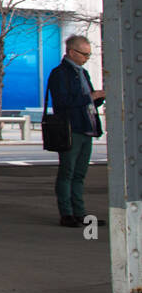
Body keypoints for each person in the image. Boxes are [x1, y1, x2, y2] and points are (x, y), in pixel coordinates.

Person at [47, 35, 104, 228]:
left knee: (80, 173)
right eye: (84, 54)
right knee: (68, 171)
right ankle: (67, 213)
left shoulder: (83, 73)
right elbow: (63, 103)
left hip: (86, 127)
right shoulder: (60, 74)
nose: (87, 58)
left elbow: (87, 100)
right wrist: (90, 97)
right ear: (72, 52)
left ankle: (79, 212)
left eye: (89, 54)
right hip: (71, 129)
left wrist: (98, 97)